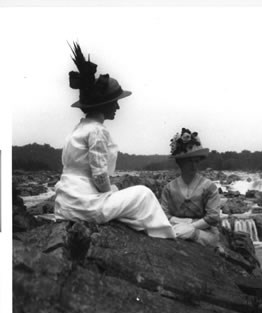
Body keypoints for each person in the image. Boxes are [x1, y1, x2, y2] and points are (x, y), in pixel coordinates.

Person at [54, 42, 175, 239]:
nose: (118, 107)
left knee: (120, 193)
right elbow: (100, 175)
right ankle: (166, 236)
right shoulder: (98, 131)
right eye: (115, 102)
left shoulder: (78, 130)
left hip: (65, 205)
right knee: (144, 194)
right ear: (105, 105)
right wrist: (107, 193)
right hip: (85, 206)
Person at [161, 128, 223, 249]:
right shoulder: (169, 188)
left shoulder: (209, 186)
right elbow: (163, 215)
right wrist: (183, 223)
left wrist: (191, 227)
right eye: (189, 161)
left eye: (196, 161)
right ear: (180, 162)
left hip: (205, 233)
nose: (194, 165)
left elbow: (213, 217)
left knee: (186, 232)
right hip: (176, 226)